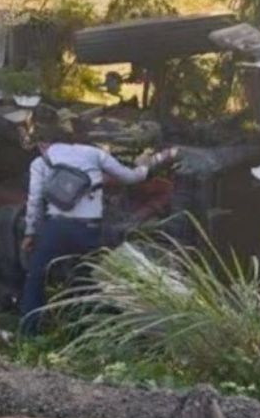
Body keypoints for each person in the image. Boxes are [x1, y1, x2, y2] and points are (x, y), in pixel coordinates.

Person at [20, 126, 176, 335]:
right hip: (89, 230)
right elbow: (131, 178)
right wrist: (153, 163)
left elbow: (35, 201)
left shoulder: (40, 162)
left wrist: (30, 234)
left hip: (56, 228)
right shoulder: (94, 153)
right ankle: (94, 332)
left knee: (36, 277)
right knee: (89, 279)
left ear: (41, 144)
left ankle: (28, 334)